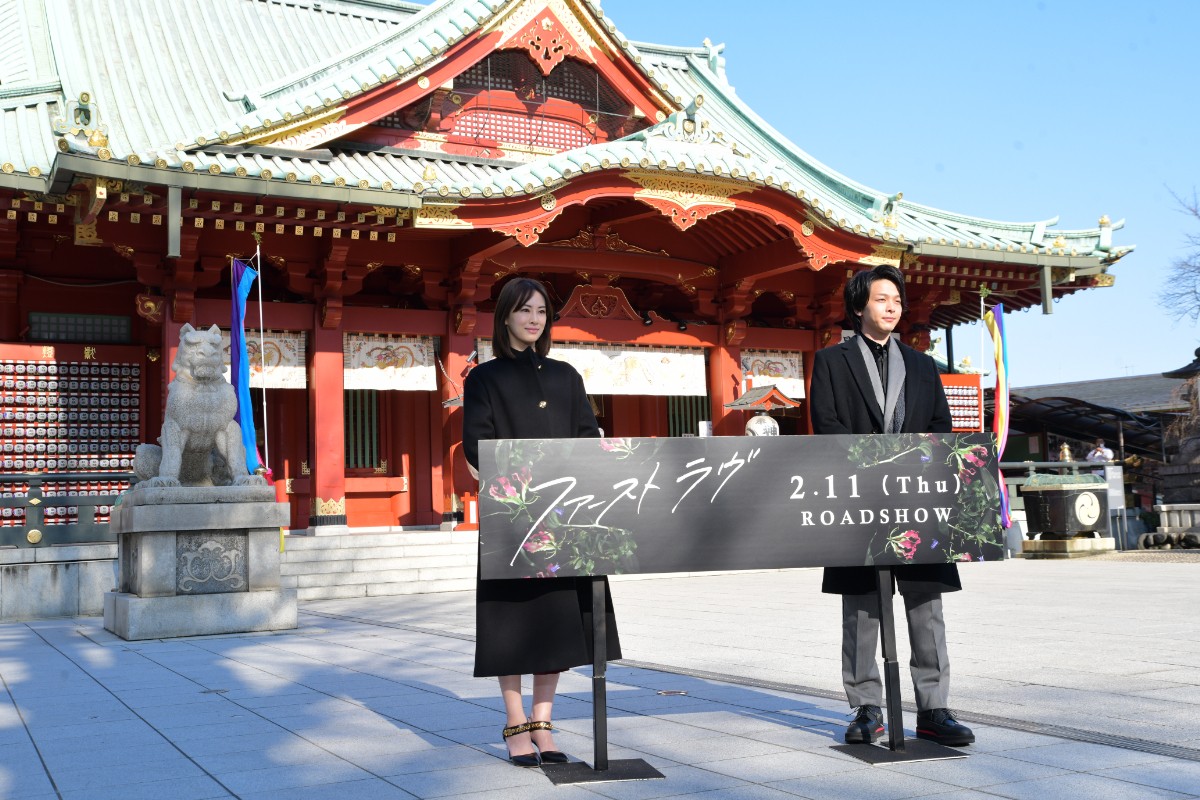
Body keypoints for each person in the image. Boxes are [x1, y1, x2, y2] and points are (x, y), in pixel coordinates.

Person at [808, 264, 974, 747]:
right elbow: (828, 425)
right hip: (859, 501)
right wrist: (875, 467)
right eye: (882, 299)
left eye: (897, 301)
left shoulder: (923, 366)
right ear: (859, 306)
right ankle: (866, 707)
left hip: (918, 501)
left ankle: (934, 708)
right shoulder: (832, 361)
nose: (892, 307)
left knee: (926, 604)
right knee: (861, 607)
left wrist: (915, 467)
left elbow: (941, 428)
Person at [462, 277, 622, 767]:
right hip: (513, 518)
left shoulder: (566, 375)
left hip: (565, 518)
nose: (534, 319)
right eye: (524, 310)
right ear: (505, 316)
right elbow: (476, 444)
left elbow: (585, 437)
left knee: (556, 624)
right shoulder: (483, 379)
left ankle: (544, 725)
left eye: (541, 311)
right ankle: (515, 724)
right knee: (512, 624)